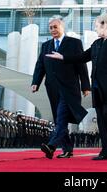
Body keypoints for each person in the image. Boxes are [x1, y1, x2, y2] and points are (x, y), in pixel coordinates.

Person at [47, 13, 107, 161]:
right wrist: (63, 57)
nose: (96, 29)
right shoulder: (97, 43)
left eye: (97, 26)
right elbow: (82, 57)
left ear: (104, 24)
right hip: (98, 86)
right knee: (101, 119)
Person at [31, 15, 91, 159]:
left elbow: (81, 65)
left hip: (69, 88)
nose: (53, 30)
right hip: (53, 89)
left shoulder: (74, 43)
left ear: (62, 27)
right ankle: (68, 149)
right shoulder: (46, 46)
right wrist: (35, 82)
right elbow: (40, 65)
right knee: (60, 119)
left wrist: (85, 86)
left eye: (55, 27)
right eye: (50, 28)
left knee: (61, 116)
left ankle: (51, 146)